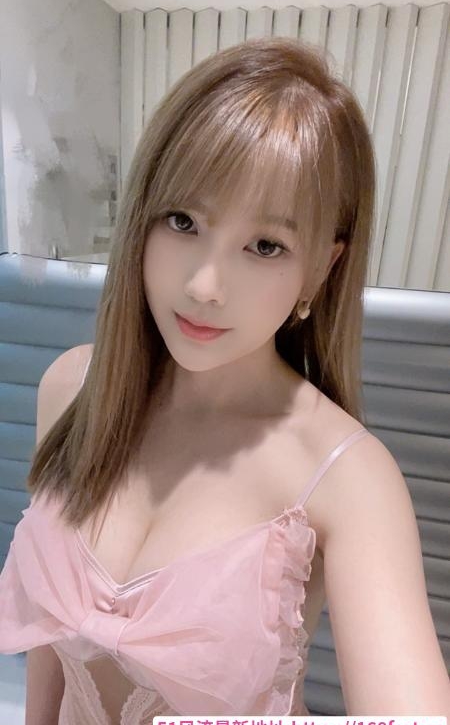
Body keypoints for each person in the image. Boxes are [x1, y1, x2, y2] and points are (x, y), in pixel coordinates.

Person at [0, 37, 449, 724]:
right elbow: (47, 635)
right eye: (182, 221)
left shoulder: (346, 478)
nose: (205, 286)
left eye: (265, 245)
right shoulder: (72, 388)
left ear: (321, 268)